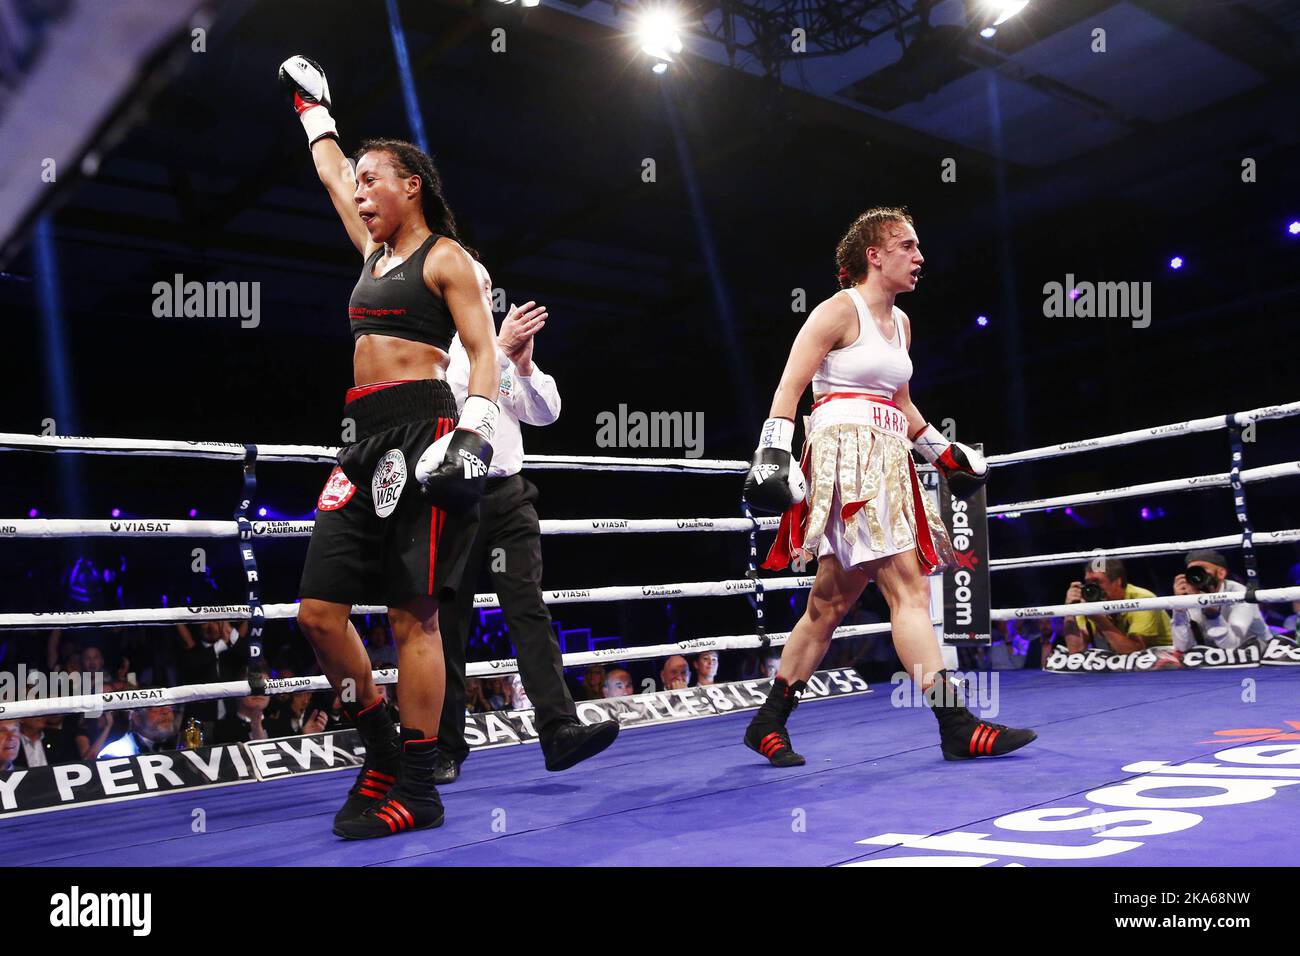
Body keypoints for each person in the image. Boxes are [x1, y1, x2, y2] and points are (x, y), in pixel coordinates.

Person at [280, 55, 500, 839]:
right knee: (317, 612)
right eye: (360, 185)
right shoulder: (372, 253)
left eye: (375, 182)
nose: (360, 193)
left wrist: (471, 437)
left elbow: (487, 353)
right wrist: (315, 110)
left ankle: (417, 786)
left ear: (410, 185)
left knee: (415, 617)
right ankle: (376, 740)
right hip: (361, 437)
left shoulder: (445, 259)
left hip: (426, 428)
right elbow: (333, 176)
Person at [743, 207, 1036, 766]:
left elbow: (900, 404)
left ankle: (768, 721)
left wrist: (943, 451)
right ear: (873, 255)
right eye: (907, 246)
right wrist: (773, 453)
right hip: (844, 459)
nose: (919, 257)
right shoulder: (836, 311)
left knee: (828, 605)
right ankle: (956, 724)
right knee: (909, 589)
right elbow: (790, 384)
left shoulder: (900, 324)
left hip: (889, 456)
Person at [434, 285, 617, 783]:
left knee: (528, 610)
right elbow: (454, 397)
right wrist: (497, 350)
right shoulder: (442, 344)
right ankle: (444, 744)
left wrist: (524, 365)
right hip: (456, 495)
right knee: (449, 621)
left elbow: (546, 412)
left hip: (510, 496)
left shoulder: (499, 346)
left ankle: (559, 730)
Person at [1063, 558, 1172, 653]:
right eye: (1088, 583)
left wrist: (1100, 620)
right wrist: (1070, 611)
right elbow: (1076, 651)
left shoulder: (1142, 600)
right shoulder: (1089, 600)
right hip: (1124, 664)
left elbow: (1135, 651)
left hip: (1166, 660)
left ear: (1117, 582)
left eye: (1097, 582)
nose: (1091, 588)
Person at [1171, 550, 1269, 652]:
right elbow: (1182, 648)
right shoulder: (1191, 593)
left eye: (1202, 569)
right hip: (1216, 659)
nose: (1197, 575)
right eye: (1193, 571)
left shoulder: (1239, 593)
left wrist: (1212, 615)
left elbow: (1232, 647)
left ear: (1221, 573)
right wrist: (1179, 609)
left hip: (1261, 657)